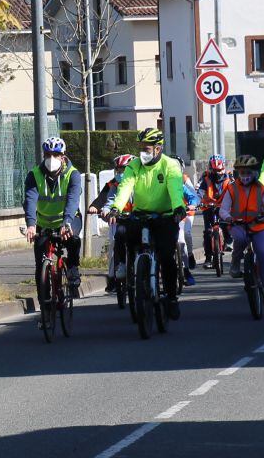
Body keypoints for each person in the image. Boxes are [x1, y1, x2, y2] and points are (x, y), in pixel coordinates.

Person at [107, 128, 186, 320]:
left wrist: (178, 207)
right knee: (130, 242)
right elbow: (125, 187)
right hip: (140, 215)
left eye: (147, 148)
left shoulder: (170, 165)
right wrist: (116, 207)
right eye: (140, 147)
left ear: (158, 149)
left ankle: (172, 297)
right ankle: (135, 281)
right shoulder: (134, 166)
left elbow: (175, 188)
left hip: (165, 216)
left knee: (167, 257)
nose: (142, 151)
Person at [24, 136, 84, 327]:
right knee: (40, 266)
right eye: (48, 154)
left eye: (56, 154)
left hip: (68, 220)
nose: (52, 158)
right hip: (43, 224)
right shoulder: (34, 175)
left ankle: (73, 269)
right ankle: (45, 310)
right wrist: (31, 225)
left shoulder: (72, 174)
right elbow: (30, 200)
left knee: (73, 239)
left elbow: (73, 200)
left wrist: (66, 223)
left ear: (63, 156)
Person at [221, 155, 264, 304]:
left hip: (258, 225)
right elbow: (224, 209)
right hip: (238, 225)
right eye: (242, 172)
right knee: (240, 239)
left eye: (247, 172)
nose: (245, 176)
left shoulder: (261, 189)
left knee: (263, 253)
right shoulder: (232, 188)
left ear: (254, 173)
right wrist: (228, 218)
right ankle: (235, 263)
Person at [88, 154, 134, 292]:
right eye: (118, 170)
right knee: (115, 246)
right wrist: (97, 207)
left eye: (123, 170)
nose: (120, 173)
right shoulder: (113, 184)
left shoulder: (139, 183)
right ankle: (113, 278)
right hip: (118, 219)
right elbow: (104, 198)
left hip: (137, 218)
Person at [197, 154, 232, 269]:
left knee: (227, 224)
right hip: (209, 207)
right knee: (207, 231)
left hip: (224, 206)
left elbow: (235, 193)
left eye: (219, 170)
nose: (217, 173)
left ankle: (228, 240)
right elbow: (200, 191)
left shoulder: (229, 178)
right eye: (214, 170)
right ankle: (208, 259)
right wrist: (199, 202)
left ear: (223, 167)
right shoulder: (205, 178)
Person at [173, 155, 201, 286]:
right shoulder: (158, 179)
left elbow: (192, 195)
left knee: (182, 240)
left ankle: (186, 268)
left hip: (182, 214)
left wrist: (192, 204)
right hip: (163, 217)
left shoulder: (182, 180)